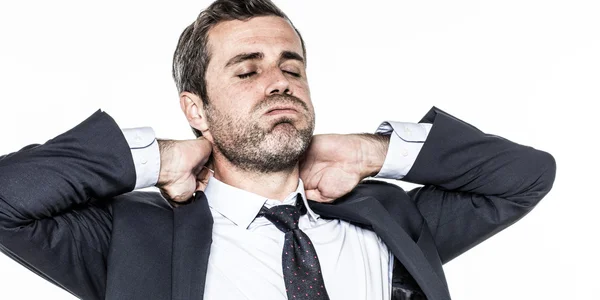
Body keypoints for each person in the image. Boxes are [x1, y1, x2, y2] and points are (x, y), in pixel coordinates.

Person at [0, 0, 556, 299]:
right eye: (248, 70)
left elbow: (525, 176)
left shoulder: (387, 215)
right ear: (196, 111)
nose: (279, 81)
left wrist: (371, 151)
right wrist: (158, 157)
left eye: (292, 67)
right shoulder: (132, 240)